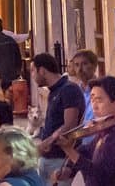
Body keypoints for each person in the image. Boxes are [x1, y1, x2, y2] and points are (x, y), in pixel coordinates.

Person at [55, 75, 115, 186]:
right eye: (92, 100)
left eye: (99, 100)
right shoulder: (107, 126)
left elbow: (100, 175)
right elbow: (87, 150)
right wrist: (69, 169)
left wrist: (69, 150)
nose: (94, 106)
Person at [31, 53, 84, 186]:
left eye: (32, 70)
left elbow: (70, 125)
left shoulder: (69, 89)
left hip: (60, 159)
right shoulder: (54, 91)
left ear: (42, 71)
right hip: (48, 158)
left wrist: (46, 142)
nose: (32, 75)